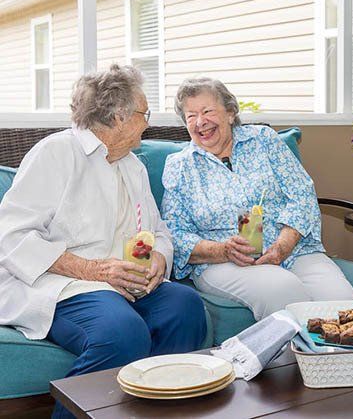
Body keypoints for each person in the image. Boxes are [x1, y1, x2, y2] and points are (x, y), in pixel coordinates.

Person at [0, 65, 207, 419]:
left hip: (125, 281)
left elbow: (158, 230)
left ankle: (155, 413)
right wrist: (91, 270)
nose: (147, 122)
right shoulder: (55, 154)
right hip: (62, 284)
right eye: (144, 113)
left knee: (184, 307)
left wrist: (159, 255)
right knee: (121, 332)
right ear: (118, 117)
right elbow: (11, 236)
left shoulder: (132, 165)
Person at [161, 77, 353, 320]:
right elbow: (175, 233)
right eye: (191, 116)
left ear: (231, 113)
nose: (201, 122)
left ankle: (336, 359)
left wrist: (282, 247)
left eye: (208, 111)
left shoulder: (264, 139)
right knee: (282, 289)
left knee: (342, 304)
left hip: (293, 250)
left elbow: (302, 194)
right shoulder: (180, 166)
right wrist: (224, 250)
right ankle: (294, 359)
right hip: (224, 264)